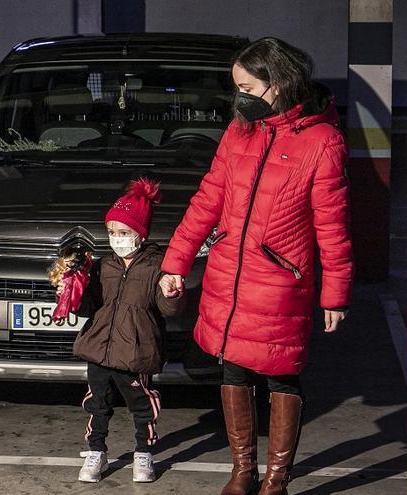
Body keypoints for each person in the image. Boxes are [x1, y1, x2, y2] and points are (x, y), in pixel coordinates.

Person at [158, 37, 353, 495]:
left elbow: (333, 227)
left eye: (246, 86)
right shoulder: (239, 130)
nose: (239, 96)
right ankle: (242, 471)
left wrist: (336, 294)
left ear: (279, 82)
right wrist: (175, 262)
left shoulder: (324, 143)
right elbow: (208, 199)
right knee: (233, 369)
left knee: (281, 372)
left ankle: (275, 480)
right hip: (229, 273)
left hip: (281, 281)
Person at [53, 178, 184, 483]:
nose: (117, 239)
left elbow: (167, 310)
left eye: (124, 233)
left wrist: (171, 293)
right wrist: (70, 293)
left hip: (136, 351)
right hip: (99, 348)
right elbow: (89, 305)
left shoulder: (156, 266)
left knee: (142, 406)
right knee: (97, 403)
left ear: (140, 234)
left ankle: (143, 453)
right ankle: (96, 450)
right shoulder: (103, 266)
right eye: (112, 233)